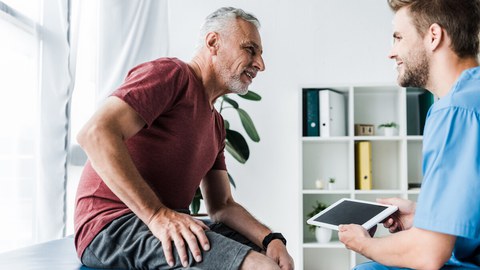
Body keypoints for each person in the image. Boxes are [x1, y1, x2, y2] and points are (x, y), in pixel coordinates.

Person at [74, 7, 294, 270]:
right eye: (250, 49)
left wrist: (271, 238)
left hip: (160, 223)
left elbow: (221, 205)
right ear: (213, 43)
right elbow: (95, 133)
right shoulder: (171, 75)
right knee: (261, 268)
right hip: (112, 226)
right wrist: (157, 215)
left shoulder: (216, 124)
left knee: (273, 259)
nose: (260, 64)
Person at [338, 0, 480, 269]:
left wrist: (363, 243)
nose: (392, 52)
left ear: (434, 36)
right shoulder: (468, 98)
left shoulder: (455, 111)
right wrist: (425, 216)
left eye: (399, 37)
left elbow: (429, 253)